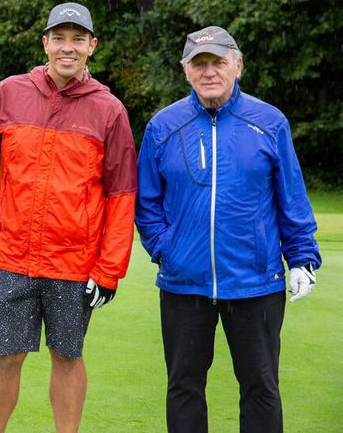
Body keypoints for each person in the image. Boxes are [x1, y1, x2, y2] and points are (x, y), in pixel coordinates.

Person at [0, 2, 138, 432]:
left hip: (74, 263)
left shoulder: (109, 110)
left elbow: (122, 195)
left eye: (78, 39)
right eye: (59, 38)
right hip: (13, 257)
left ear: (92, 46)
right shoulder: (11, 91)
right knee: (6, 357)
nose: (68, 47)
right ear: (45, 43)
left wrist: (109, 269)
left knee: (67, 356)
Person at [135, 26, 322, 433]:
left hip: (256, 282)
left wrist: (302, 258)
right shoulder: (163, 126)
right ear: (186, 70)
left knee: (261, 387)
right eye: (199, 64)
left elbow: (291, 198)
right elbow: (147, 204)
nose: (209, 72)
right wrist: (168, 251)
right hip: (185, 284)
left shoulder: (269, 122)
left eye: (218, 62)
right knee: (184, 387)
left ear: (237, 66)